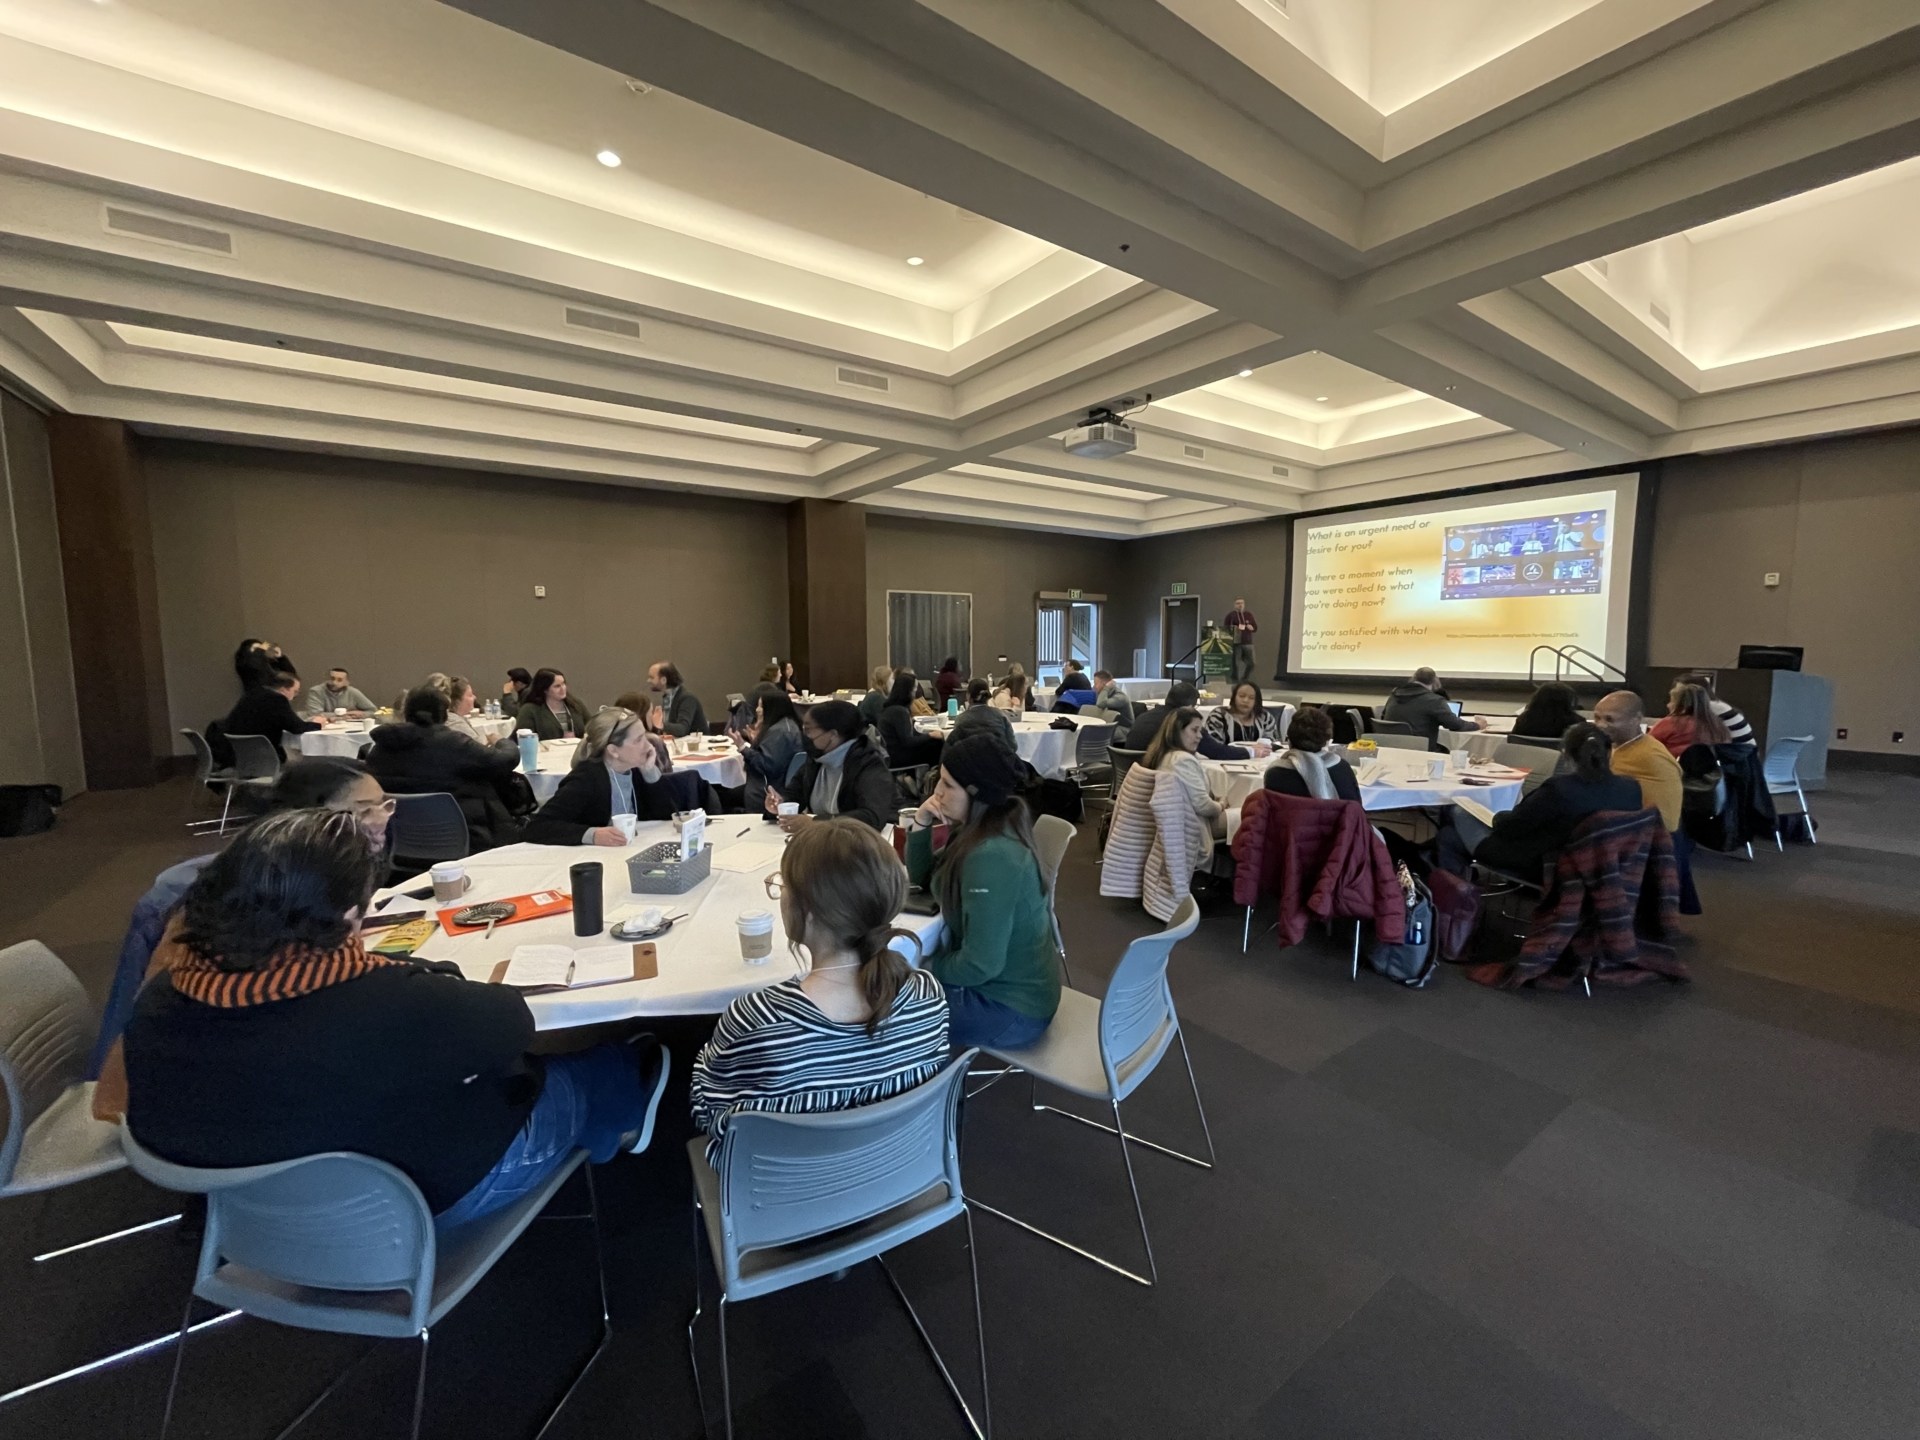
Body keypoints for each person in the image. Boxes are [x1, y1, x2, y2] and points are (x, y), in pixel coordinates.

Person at [121, 810, 670, 1224]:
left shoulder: (161, 997)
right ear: (348, 916)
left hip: (242, 1221)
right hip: (399, 1215)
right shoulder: (388, 1006)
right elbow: (512, 1025)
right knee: (608, 1063)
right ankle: (617, 1108)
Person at [690, 820, 948, 1164]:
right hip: (898, 1172)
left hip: (779, 1197)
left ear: (806, 912)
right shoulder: (927, 995)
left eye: (782, 886)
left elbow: (709, 1110)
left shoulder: (759, 1020)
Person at [904, 735, 1061, 1047]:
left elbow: (980, 965)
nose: (936, 792)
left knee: (883, 1010)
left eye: (947, 785)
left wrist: (926, 967)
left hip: (1010, 1008)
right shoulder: (981, 828)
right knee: (885, 995)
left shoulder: (991, 855)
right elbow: (922, 878)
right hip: (1009, 991)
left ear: (976, 792)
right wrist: (921, 820)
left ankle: (938, 1091)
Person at [1437, 722, 1644, 877]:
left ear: (1566, 755)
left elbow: (1512, 827)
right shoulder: (1631, 788)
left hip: (1539, 862)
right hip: (1605, 865)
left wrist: (1497, 817)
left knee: (1457, 813)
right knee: (1450, 836)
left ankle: (1453, 897)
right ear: (1609, 752)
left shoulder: (1559, 789)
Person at [366, 686, 527, 851]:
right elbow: (505, 761)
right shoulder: (453, 744)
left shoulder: (380, 749)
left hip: (398, 842)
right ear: (444, 714)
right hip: (468, 837)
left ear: (406, 712)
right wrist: (502, 741)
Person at [524, 706, 679, 845]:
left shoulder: (636, 769)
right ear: (613, 750)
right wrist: (592, 834)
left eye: (644, 736)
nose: (648, 745)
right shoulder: (587, 778)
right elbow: (537, 827)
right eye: (638, 740)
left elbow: (667, 815)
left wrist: (650, 772)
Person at [768, 700, 895, 832]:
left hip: (859, 842)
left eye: (808, 730)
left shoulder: (869, 764)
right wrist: (780, 804)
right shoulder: (817, 759)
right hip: (823, 838)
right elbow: (794, 794)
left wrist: (816, 823)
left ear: (833, 734)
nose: (805, 735)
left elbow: (872, 817)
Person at [1593, 689, 1683, 831]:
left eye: (1610, 719)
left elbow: (1668, 824)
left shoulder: (1652, 757)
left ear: (1636, 719)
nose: (1600, 725)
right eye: (1597, 718)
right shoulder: (1612, 746)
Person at [1145, 706, 1224, 838]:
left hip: (1174, 823)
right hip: (1190, 827)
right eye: (1194, 730)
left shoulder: (1162, 754)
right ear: (1177, 731)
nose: (1199, 736)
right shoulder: (1182, 760)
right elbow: (1203, 805)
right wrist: (1220, 806)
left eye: (1201, 731)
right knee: (1245, 817)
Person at [1264, 705, 1361, 802]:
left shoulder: (1275, 773)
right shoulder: (1342, 768)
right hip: (1335, 817)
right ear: (1325, 741)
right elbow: (1357, 808)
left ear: (1290, 739)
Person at [1127, 680, 1245, 759]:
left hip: (1132, 776)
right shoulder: (1182, 722)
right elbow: (1217, 751)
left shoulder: (1145, 715)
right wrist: (1250, 752)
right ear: (1189, 707)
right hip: (1158, 777)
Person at [735, 688, 805, 816]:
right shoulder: (787, 725)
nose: (757, 710)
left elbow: (766, 765)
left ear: (772, 708)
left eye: (761, 706)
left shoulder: (780, 732)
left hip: (768, 790)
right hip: (777, 785)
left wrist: (743, 748)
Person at [222, 670, 319, 760]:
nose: (295, 696)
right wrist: (317, 724)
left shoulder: (251, 694)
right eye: (295, 691)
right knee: (302, 759)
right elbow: (296, 728)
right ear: (283, 689)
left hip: (237, 753)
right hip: (265, 754)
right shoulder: (277, 700)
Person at [1381, 667, 1486, 748]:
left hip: (1389, 746)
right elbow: (1455, 724)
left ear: (1413, 678)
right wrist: (1477, 725)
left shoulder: (1394, 695)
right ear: (1435, 681)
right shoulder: (1433, 700)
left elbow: (1383, 717)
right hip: (1420, 748)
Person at [878, 668, 944, 768]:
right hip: (898, 757)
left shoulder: (892, 708)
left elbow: (910, 734)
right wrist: (930, 735)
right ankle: (932, 778)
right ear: (908, 691)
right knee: (937, 745)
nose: (916, 692)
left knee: (934, 743)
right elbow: (908, 741)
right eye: (914, 689)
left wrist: (928, 735)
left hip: (893, 753)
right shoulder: (899, 712)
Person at [1652, 681, 1735, 758]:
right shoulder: (1718, 726)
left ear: (1682, 705)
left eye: (1671, 701)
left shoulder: (1669, 723)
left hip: (1674, 770)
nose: (1668, 705)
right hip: (1710, 772)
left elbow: (1647, 745)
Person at [1678, 673, 1755, 746]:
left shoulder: (1708, 707)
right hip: (1744, 753)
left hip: (1735, 754)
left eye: (1680, 693)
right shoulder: (1717, 704)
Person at [516, 668, 589, 740]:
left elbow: (591, 725)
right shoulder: (530, 710)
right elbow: (524, 738)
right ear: (545, 689)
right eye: (557, 686)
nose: (563, 689)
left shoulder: (575, 704)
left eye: (563, 684)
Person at [949, 677, 1016, 750]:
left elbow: (956, 748)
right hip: (998, 759)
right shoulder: (1001, 716)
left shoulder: (961, 719)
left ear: (968, 696)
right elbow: (1013, 746)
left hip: (971, 760)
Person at [1204, 681, 1278, 746]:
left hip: (1260, 760)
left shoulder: (1265, 717)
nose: (1246, 700)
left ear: (1256, 701)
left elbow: (1271, 743)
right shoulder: (1219, 716)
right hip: (1224, 759)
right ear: (1234, 697)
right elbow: (1213, 745)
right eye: (1241, 696)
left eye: (1251, 698)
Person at [646, 662, 707, 738]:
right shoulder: (668, 697)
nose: (648, 680)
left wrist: (660, 724)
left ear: (664, 680)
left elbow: (682, 729)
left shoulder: (687, 699)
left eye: (651, 677)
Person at [1510, 682, 1583, 740]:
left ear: (1537, 699)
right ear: (1569, 701)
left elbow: (1513, 741)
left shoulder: (1524, 720)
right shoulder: (1577, 723)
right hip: (1559, 758)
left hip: (1527, 758)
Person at [299, 667, 376, 718]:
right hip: (323, 728)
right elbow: (315, 714)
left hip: (347, 727)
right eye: (332, 679)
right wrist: (344, 715)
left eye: (339, 680)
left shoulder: (353, 692)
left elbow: (373, 711)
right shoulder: (316, 691)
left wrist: (361, 714)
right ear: (326, 679)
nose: (334, 682)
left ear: (347, 682)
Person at [443, 676, 499, 745]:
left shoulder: (452, 718)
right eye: (470, 695)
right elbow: (478, 751)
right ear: (457, 701)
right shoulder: (456, 724)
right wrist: (497, 741)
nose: (474, 697)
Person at [1224, 598, 1259, 684]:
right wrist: (1234, 629)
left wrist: (1252, 628)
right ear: (1234, 605)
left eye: (1241, 603)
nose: (1240, 605)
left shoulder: (1248, 615)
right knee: (1235, 664)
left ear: (1244, 605)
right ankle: (1235, 681)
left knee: (1252, 663)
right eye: (1238, 603)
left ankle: (1244, 679)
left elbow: (1255, 628)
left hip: (1247, 642)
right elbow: (1225, 629)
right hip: (1236, 643)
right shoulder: (1231, 616)